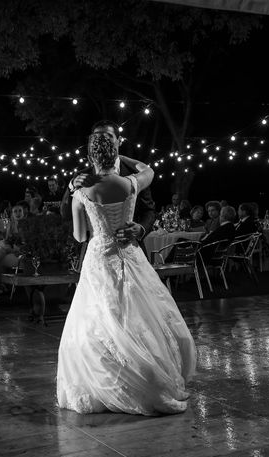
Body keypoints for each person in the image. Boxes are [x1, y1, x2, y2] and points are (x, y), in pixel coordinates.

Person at [56, 130, 196, 415]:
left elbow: (81, 235)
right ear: (114, 153)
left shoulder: (81, 191)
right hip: (129, 254)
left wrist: (77, 197)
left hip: (99, 257)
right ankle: (148, 374)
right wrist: (123, 156)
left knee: (99, 315)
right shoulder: (131, 184)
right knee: (138, 312)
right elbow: (149, 170)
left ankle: (108, 378)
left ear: (90, 156)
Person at [68, 120, 156, 252]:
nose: (102, 139)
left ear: (119, 140)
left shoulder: (132, 172)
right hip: (96, 251)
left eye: (107, 136)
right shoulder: (80, 177)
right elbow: (65, 213)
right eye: (97, 137)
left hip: (127, 247)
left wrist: (140, 229)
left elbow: (149, 210)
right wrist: (72, 185)